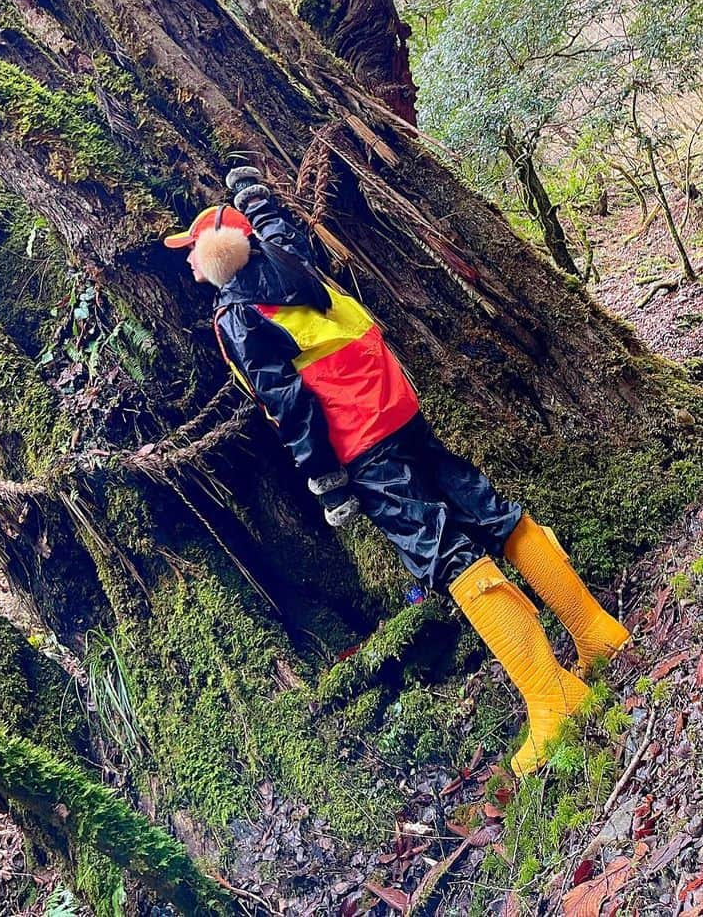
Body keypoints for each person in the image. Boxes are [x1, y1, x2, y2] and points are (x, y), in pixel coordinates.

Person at [164, 166, 630, 776]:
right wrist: (255, 194)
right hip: (400, 408)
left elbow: (288, 401)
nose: (191, 267)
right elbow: (277, 225)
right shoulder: (289, 258)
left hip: (361, 442)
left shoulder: (237, 313)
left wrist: (324, 479)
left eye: (194, 254)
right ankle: (596, 630)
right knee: (485, 510)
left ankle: (553, 698)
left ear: (214, 255)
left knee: (444, 555)